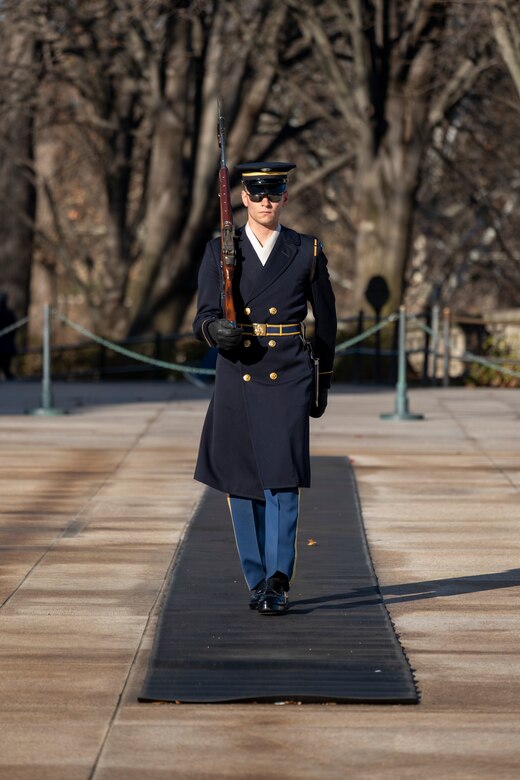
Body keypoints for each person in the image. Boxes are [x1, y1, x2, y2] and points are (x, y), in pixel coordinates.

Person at [193, 162, 337, 615]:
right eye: (257, 194)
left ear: (285, 197)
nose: (266, 202)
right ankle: (256, 576)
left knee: (282, 478)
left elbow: (327, 321)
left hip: (288, 371)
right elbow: (202, 316)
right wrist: (215, 330)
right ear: (244, 199)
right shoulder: (221, 251)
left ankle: (278, 578)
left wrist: (322, 381)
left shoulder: (306, 249)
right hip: (238, 371)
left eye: (274, 193)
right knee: (243, 481)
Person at [0, 292, 17, 380]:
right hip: (6, 342)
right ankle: (7, 373)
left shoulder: (8, 313)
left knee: (6, 359)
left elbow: (13, 328)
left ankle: (7, 372)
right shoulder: (9, 313)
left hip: (6, 342)